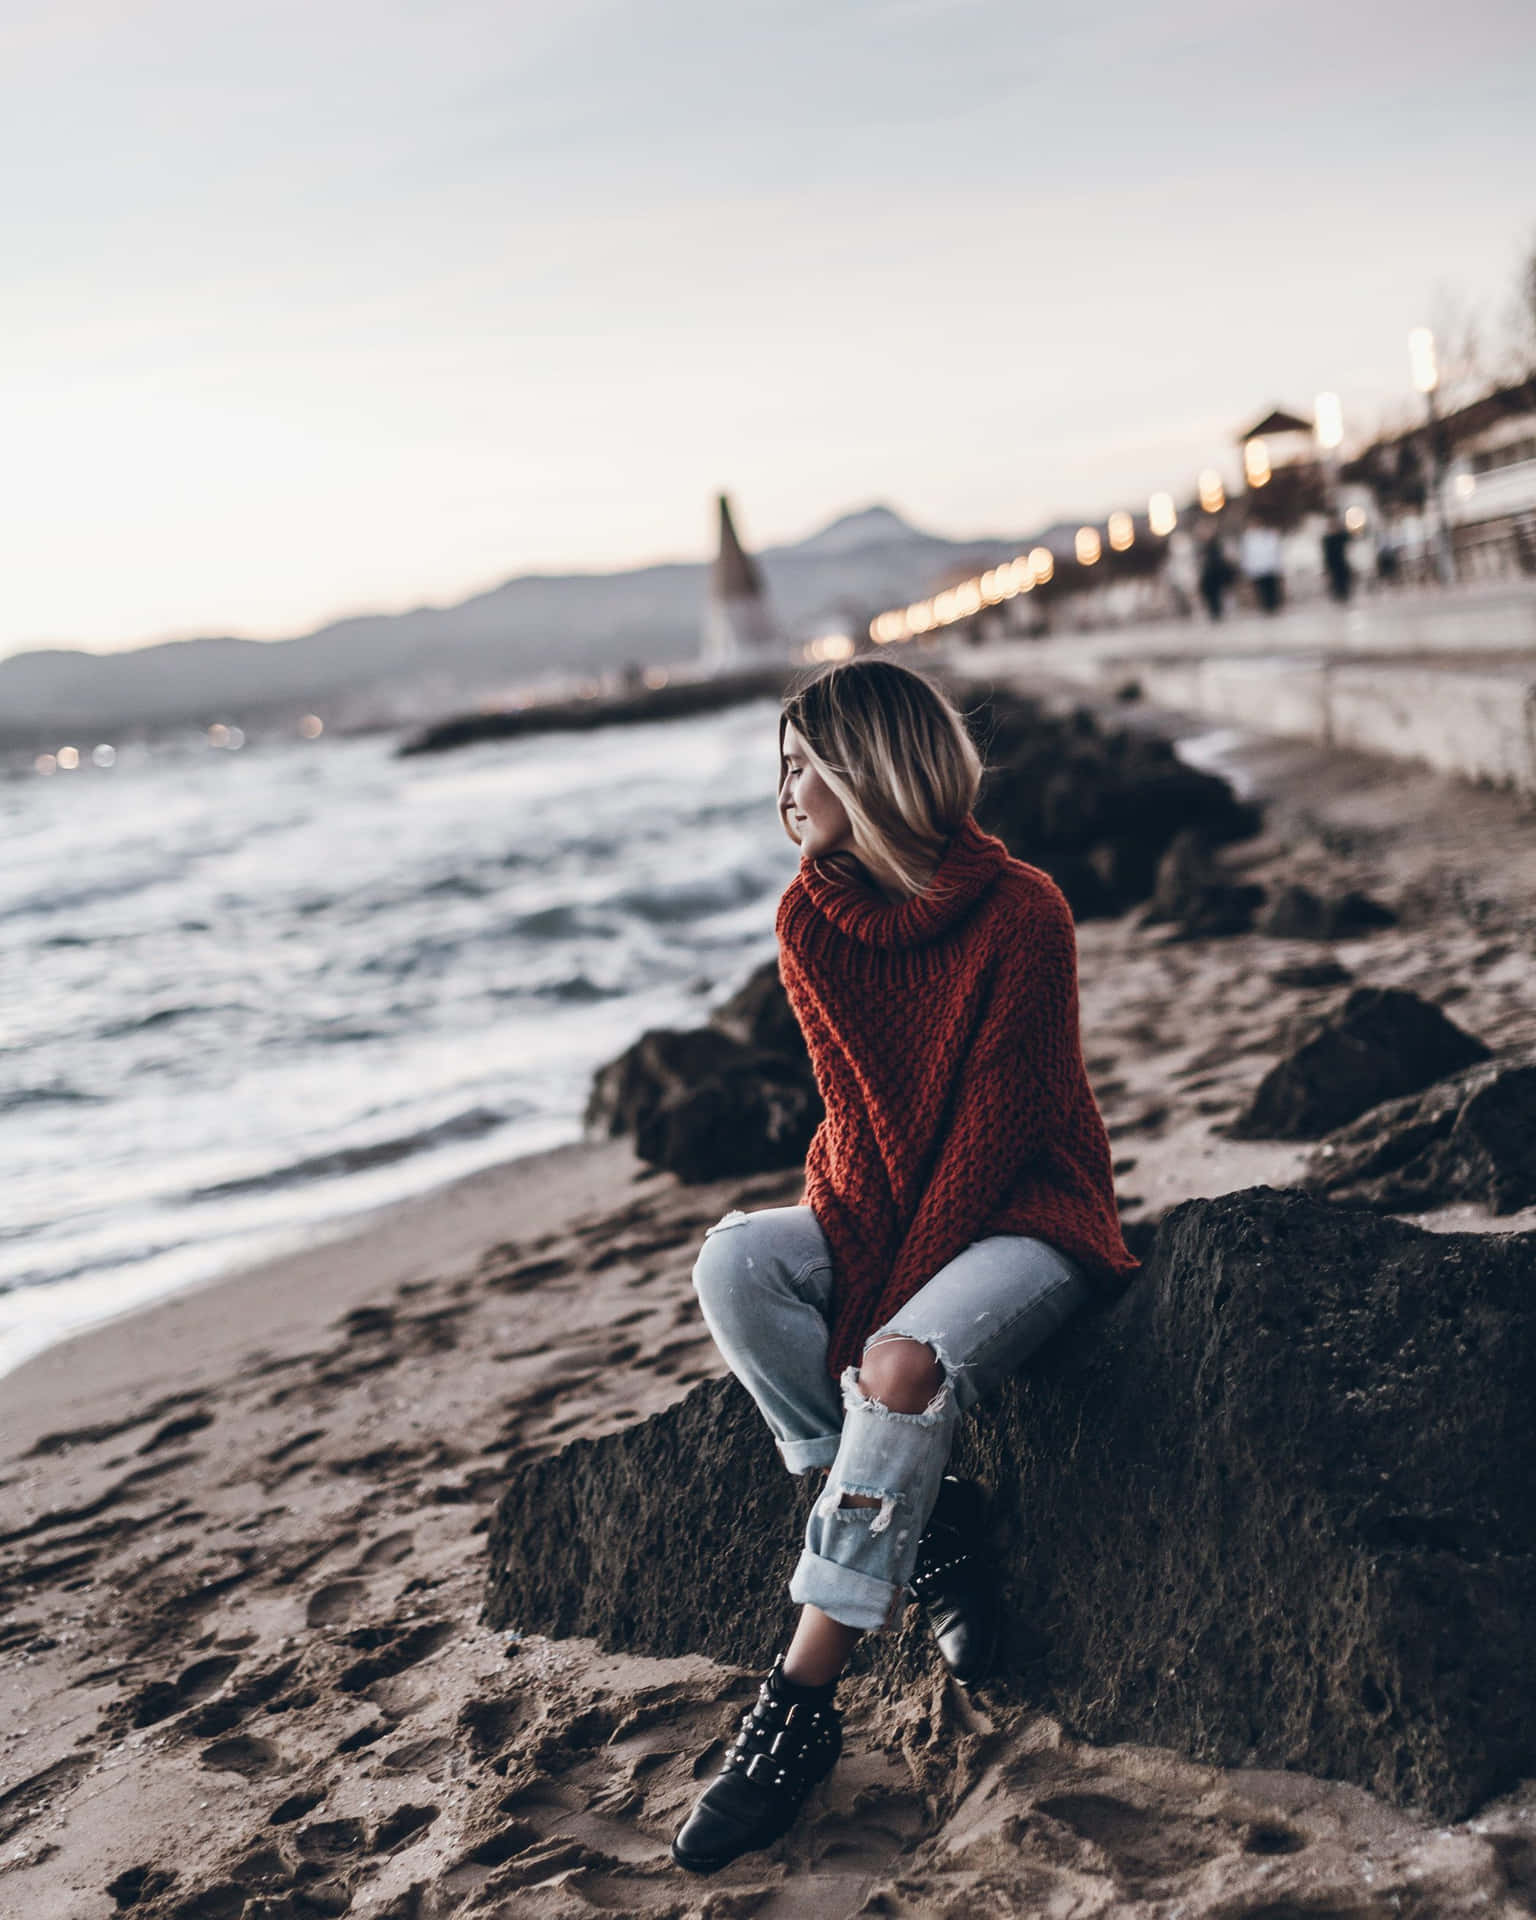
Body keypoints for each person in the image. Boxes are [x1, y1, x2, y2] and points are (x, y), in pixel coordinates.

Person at [671, 658, 1138, 1876]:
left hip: (1032, 1216)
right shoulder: (808, 918)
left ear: (869, 769)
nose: (785, 790)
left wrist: (885, 1333)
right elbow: (854, 1134)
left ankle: (798, 1702)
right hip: (891, 1212)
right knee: (735, 1264)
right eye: (780, 766)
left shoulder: (1024, 910)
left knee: (897, 1362)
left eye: (802, 763)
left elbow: (992, 1132)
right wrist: (860, 1268)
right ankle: (925, 1525)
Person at [1239, 517, 1285, 614]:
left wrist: (1277, 565)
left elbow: (1274, 551)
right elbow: (1246, 555)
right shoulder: (1247, 538)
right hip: (1257, 568)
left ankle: (1273, 606)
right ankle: (1266, 607)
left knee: (1271, 589)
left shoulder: (1268, 535)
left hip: (1269, 566)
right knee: (1261, 590)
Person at [1198, 529, 1235, 620]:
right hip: (1208, 574)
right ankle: (1214, 612)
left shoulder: (1217, 545)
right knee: (1210, 595)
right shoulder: (1202, 546)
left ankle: (1218, 611)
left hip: (1216, 572)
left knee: (1218, 594)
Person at [1321, 512, 1353, 603]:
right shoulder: (1327, 539)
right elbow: (1326, 555)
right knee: (1336, 588)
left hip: (1342, 564)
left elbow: (1350, 540)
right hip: (1333, 566)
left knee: (1344, 587)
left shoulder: (1341, 536)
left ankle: (1344, 600)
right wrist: (1326, 569)